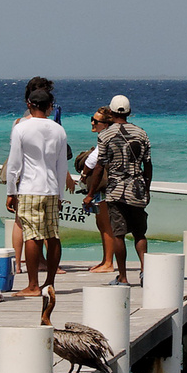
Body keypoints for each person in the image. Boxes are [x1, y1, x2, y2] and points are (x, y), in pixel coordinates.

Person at [5, 85, 70, 296]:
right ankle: (49, 281)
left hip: (29, 187)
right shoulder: (58, 130)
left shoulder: (21, 128)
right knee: (53, 235)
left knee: (32, 236)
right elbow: (62, 167)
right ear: (50, 107)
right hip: (51, 188)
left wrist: (10, 191)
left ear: (29, 105)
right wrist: (61, 194)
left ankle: (33, 285)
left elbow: (15, 163)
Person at [84, 95, 152, 286]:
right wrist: (147, 188)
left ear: (112, 112)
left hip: (115, 190)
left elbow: (99, 167)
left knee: (119, 234)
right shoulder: (141, 133)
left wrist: (90, 194)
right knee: (139, 233)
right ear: (129, 112)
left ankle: (122, 277)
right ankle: (145, 271)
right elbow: (147, 164)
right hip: (137, 189)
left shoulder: (105, 135)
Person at [11, 77, 57, 268]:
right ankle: (43, 261)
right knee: (47, 227)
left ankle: (20, 262)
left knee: (21, 222)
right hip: (43, 181)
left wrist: (11, 189)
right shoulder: (51, 125)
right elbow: (56, 158)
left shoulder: (19, 122)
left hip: (24, 179)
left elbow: (15, 159)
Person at [80, 107, 116, 272]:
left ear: (106, 124)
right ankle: (105, 260)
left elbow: (93, 160)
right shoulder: (108, 136)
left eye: (96, 121)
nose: (93, 123)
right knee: (101, 223)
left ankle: (108, 262)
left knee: (105, 224)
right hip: (105, 187)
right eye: (92, 119)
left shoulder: (106, 138)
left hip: (105, 187)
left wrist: (84, 173)